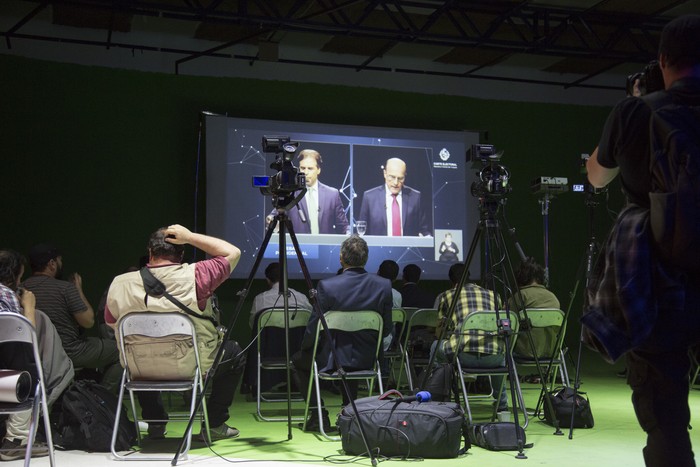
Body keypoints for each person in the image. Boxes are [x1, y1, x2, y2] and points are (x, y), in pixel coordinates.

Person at [585, 14, 700, 467]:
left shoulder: (638, 111)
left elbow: (596, 177)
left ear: (663, 60)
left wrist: (633, 101)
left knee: (665, 416)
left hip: (657, 285)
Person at [105, 224, 246, 441]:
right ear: (181, 254)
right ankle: (215, 424)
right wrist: (189, 237)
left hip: (139, 369)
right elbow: (232, 252)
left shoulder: (118, 283)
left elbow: (110, 323)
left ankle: (155, 423)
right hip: (190, 365)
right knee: (234, 352)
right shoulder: (198, 275)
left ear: (150, 252)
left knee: (143, 351)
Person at [292, 235, 393, 432]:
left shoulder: (327, 286)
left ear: (341, 258)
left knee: (298, 362)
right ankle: (349, 413)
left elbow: (314, 327)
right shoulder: (383, 286)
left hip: (333, 359)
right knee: (351, 351)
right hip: (369, 359)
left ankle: (317, 414)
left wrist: (306, 349)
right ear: (366, 258)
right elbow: (386, 328)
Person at [0, 249, 74, 461]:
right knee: (29, 365)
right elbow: (25, 337)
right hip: (7, 383)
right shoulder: (6, 295)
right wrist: (29, 307)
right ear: (11, 276)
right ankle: (17, 440)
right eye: (19, 277)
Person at [22, 244, 121, 393]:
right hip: (70, 351)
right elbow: (88, 321)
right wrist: (78, 289)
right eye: (59, 260)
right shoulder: (64, 288)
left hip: (34, 354)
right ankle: (102, 399)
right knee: (121, 351)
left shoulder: (21, 289)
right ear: (52, 263)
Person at [432, 262, 507, 412]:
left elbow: (440, 332)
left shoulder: (447, 295)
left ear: (452, 281)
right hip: (495, 359)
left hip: (463, 357)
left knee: (435, 346)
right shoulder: (494, 295)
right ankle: (502, 405)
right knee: (500, 349)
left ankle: (438, 399)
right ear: (469, 277)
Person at [269, 149, 349, 235]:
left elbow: (343, 226)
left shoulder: (332, 194)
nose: (306, 172)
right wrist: (270, 219)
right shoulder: (290, 192)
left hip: (325, 247)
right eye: (303, 168)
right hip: (297, 246)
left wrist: (349, 233)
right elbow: (275, 214)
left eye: (310, 168)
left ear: (318, 170)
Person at [358, 158, 431, 236]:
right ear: (385, 174)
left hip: (408, 248)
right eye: (392, 177)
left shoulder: (415, 197)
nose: (396, 183)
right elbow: (362, 231)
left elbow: (424, 231)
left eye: (400, 178)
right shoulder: (369, 197)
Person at [508, 257, 560, 360]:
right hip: (551, 352)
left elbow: (509, 324)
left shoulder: (520, 296)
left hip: (524, 351)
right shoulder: (553, 297)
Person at [249, 262, 312, 328]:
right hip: (298, 338)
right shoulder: (302, 298)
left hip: (269, 338)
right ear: (286, 277)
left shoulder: (260, 299)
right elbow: (311, 321)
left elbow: (253, 325)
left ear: (268, 280)